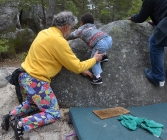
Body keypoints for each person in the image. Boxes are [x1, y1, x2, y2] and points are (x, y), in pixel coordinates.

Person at [1, 11, 104, 140]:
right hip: (36, 81)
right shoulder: (59, 41)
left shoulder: (44, 33)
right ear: (66, 26)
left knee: (32, 103)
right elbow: (76, 65)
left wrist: (81, 70)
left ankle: (10, 116)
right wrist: (95, 59)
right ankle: (20, 124)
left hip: (24, 76)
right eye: (71, 28)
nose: (71, 31)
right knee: (53, 113)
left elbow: (58, 58)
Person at [67, 13, 113, 85]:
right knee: (103, 46)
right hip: (108, 39)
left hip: (100, 44)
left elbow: (72, 35)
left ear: (81, 22)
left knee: (94, 59)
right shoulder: (93, 26)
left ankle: (97, 78)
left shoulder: (81, 30)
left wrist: (64, 36)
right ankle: (104, 56)